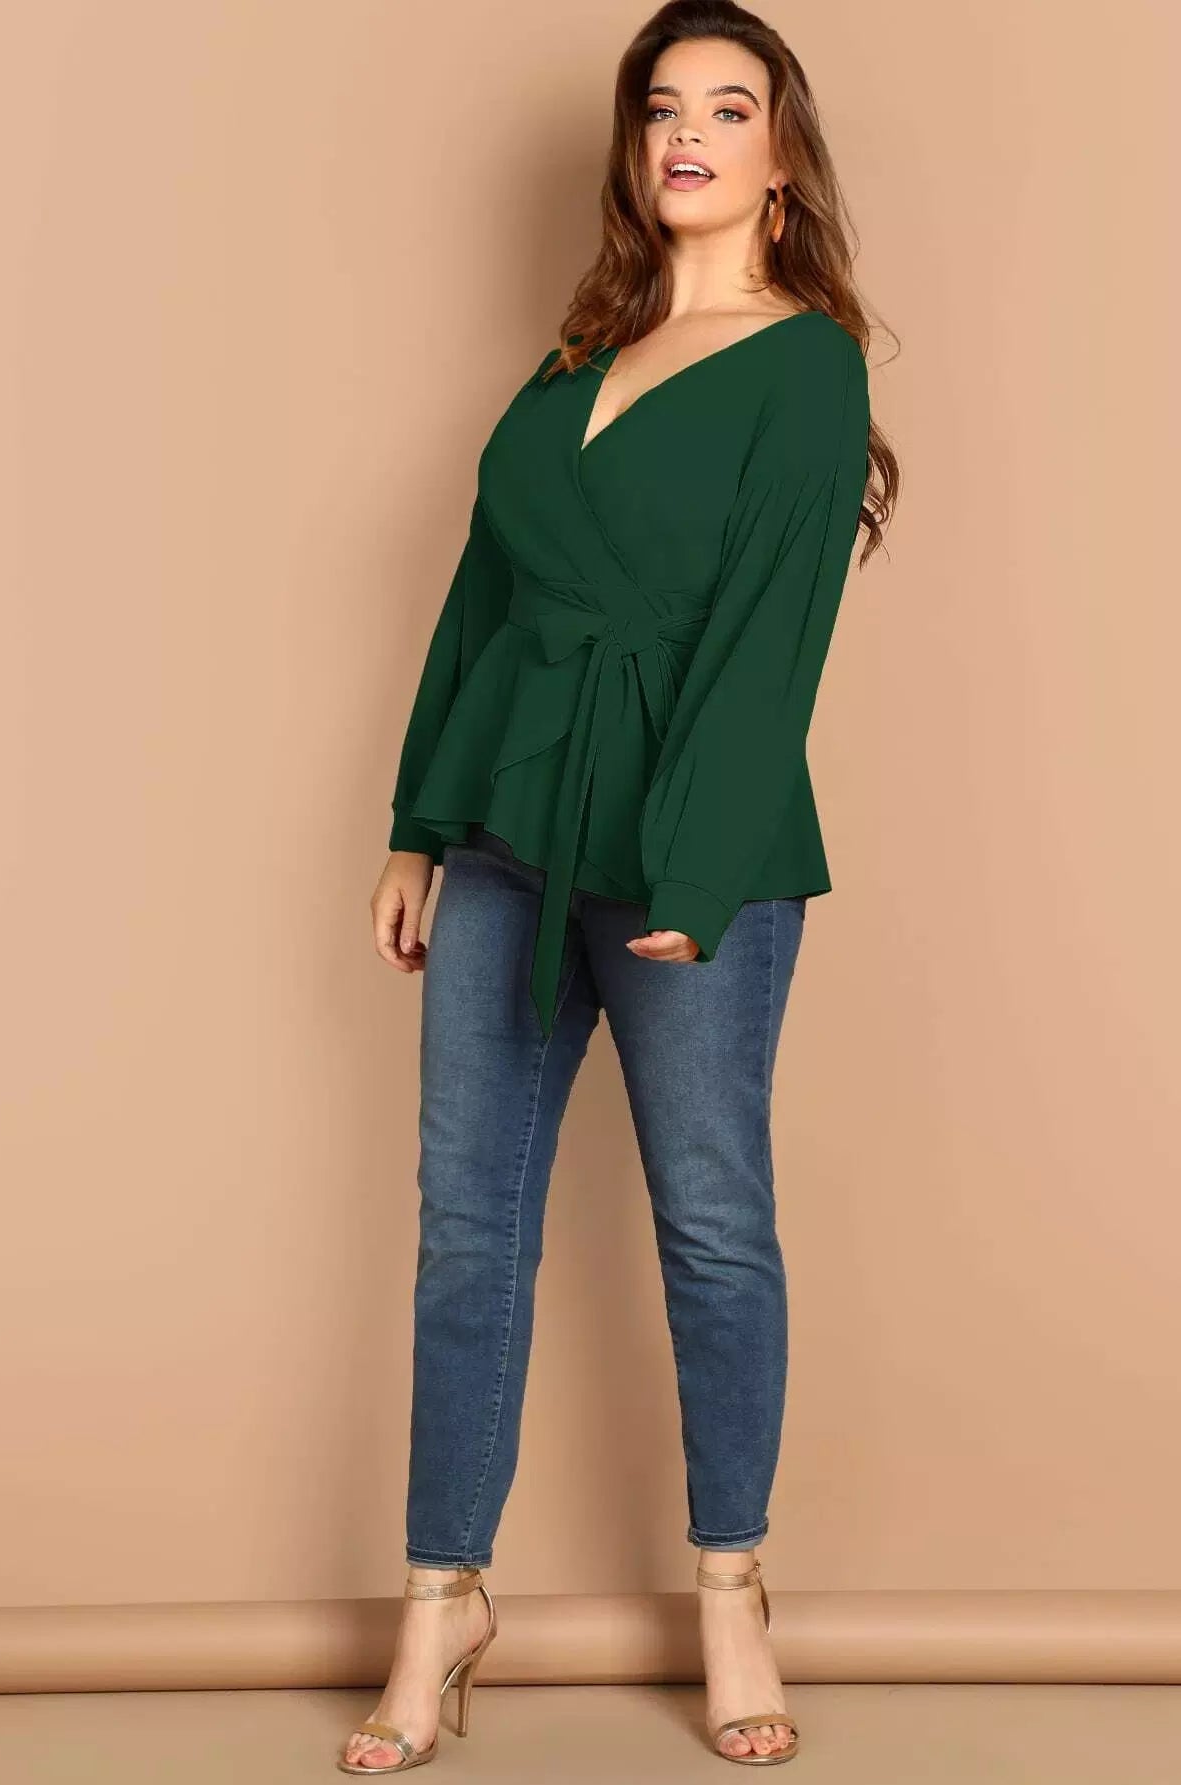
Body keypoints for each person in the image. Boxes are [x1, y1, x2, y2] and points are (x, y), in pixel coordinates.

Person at [343, 1, 898, 1771]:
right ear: (633, 143)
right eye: (664, 108)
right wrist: (419, 821)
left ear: (782, 157)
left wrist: (702, 859)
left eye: (729, 109)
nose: (689, 137)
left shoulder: (806, 363)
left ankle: (731, 1591)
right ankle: (442, 1603)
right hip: (512, 824)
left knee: (712, 1219)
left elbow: (773, 637)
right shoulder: (578, 353)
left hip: (684, 841)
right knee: (465, 1225)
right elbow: (485, 596)